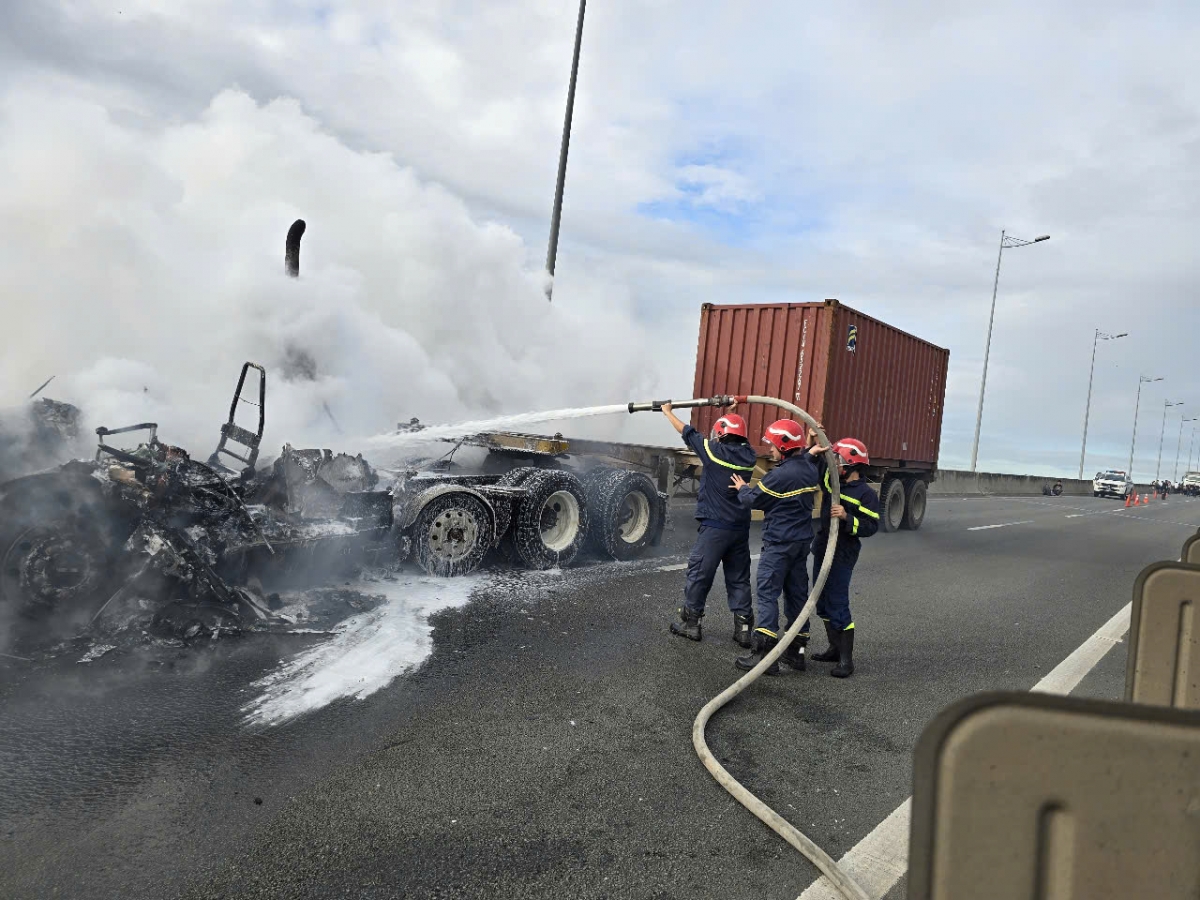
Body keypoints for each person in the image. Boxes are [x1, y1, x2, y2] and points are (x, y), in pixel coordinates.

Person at [660, 401, 759, 646]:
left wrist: (667, 412)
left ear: (722, 435)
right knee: (738, 578)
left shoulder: (714, 452)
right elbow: (735, 437)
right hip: (739, 529)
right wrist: (731, 413)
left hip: (715, 527)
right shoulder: (749, 457)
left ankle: (691, 623)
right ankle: (744, 629)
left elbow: (687, 432)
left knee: (700, 573)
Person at [730, 419, 823, 675]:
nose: (769, 449)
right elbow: (806, 459)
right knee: (797, 596)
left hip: (780, 543)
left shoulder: (780, 476)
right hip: (801, 543)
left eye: (772, 444)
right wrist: (813, 447)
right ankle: (797, 653)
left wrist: (742, 488)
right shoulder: (806, 468)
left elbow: (754, 500)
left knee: (767, 593)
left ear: (783, 445)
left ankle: (764, 655)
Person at [804, 437, 880, 678]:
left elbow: (871, 526)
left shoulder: (865, 495)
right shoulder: (832, 482)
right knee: (821, 601)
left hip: (842, 553)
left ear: (851, 464)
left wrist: (847, 518)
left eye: (838, 459)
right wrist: (811, 443)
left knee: (837, 603)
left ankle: (847, 661)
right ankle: (834, 649)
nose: (834, 463)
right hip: (823, 547)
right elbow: (816, 469)